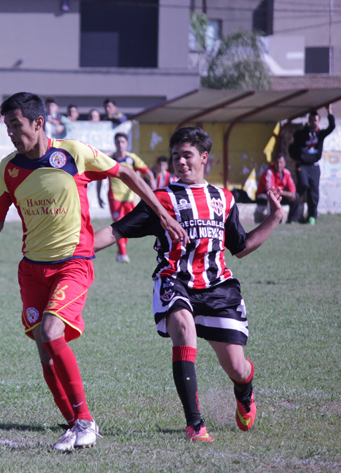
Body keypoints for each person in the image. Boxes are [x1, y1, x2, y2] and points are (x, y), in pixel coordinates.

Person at [0, 92, 187, 451]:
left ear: (38, 123)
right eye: (6, 126)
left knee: (52, 333)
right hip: (32, 271)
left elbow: (126, 171)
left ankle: (85, 421)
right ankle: (74, 425)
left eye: (16, 125)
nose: (10, 133)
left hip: (73, 264)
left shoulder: (73, 154)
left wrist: (162, 214)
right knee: (43, 347)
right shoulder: (9, 169)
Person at [93, 127, 285, 443]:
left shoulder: (223, 198)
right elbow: (116, 231)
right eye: (176, 156)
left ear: (204, 158)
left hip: (218, 288)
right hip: (175, 280)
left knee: (237, 368)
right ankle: (195, 425)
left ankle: (244, 389)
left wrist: (275, 217)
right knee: (182, 326)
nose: (181, 162)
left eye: (188, 155)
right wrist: (78, 250)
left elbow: (241, 246)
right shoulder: (162, 199)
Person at [96, 133, 155, 263]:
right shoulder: (110, 159)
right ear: (115, 143)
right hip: (114, 197)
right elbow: (100, 179)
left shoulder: (132, 159)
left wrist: (153, 184)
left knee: (127, 226)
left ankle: (120, 251)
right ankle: (123, 253)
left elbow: (147, 172)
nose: (120, 144)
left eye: (122, 142)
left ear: (127, 144)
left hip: (129, 198)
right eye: (118, 142)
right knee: (118, 223)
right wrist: (99, 195)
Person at [288, 106, 335, 225]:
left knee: (314, 191)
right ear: (308, 121)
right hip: (302, 165)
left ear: (318, 121)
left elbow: (332, 127)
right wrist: (297, 157)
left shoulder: (320, 134)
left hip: (314, 166)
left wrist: (329, 112)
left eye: (316, 120)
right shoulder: (301, 134)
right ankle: (293, 215)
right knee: (303, 185)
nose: (313, 122)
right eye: (312, 120)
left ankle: (312, 216)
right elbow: (292, 147)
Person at [255, 153, 301, 223]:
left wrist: (288, 194)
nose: (279, 165)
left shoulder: (287, 173)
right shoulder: (269, 172)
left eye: (281, 163)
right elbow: (270, 190)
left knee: (296, 197)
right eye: (277, 163)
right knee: (274, 197)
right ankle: (275, 221)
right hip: (264, 195)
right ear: (274, 163)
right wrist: (286, 194)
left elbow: (292, 191)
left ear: (284, 163)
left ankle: (292, 220)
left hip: (279, 194)